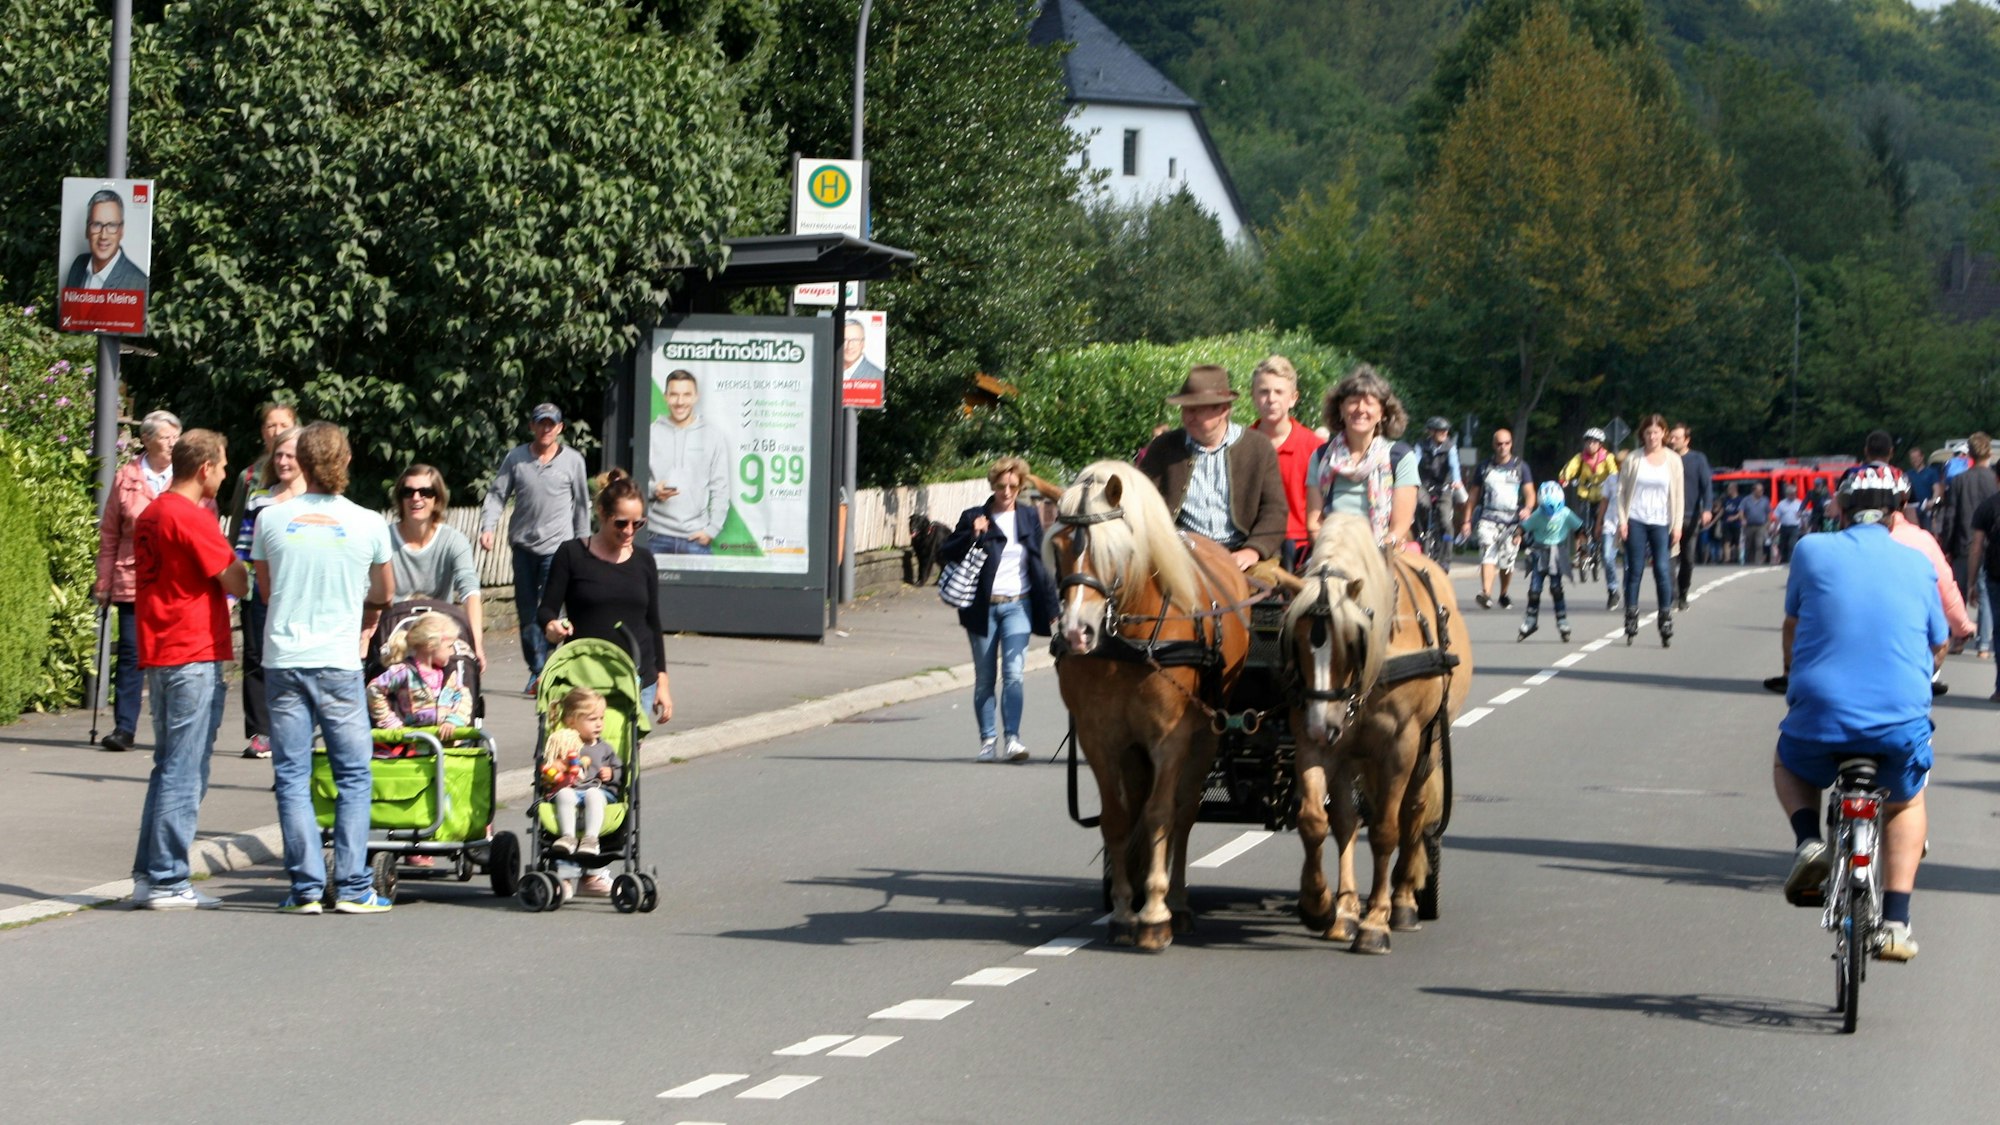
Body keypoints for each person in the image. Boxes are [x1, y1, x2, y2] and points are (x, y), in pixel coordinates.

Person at [1775, 462, 1941, 962]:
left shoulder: (1810, 550)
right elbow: (1938, 644)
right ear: (1897, 515)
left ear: (1842, 511)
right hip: (1898, 722)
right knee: (1907, 803)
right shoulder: (1918, 562)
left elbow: (1793, 624)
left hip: (1821, 712)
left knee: (1788, 760)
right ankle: (1895, 922)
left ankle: (1808, 843)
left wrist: (1790, 672)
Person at [254, 422, 396, 915]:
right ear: (345, 461)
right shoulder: (369, 522)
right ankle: (355, 888)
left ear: (299, 463)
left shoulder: (272, 519)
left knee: (291, 775)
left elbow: (267, 591)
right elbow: (386, 592)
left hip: (285, 658)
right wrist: (361, 603)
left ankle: (306, 889)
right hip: (338, 661)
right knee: (353, 774)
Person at [128, 430, 246, 909]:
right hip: (192, 648)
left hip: (160, 648)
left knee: (167, 765)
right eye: (220, 467)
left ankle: (147, 873)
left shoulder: (153, 511)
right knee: (185, 768)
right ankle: (168, 878)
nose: (222, 474)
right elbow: (233, 575)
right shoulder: (192, 516)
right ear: (204, 469)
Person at [939, 456, 1059, 762]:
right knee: (984, 678)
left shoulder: (1029, 517)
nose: (1007, 491)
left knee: (1014, 674)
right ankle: (988, 741)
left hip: (1019, 604)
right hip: (982, 609)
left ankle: (1013, 740)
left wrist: (1053, 606)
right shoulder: (974, 515)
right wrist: (972, 535)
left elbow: (1040, 564)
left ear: (1019, 486)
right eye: (1001, 485)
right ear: (992, 485)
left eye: (1013, 486)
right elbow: (945, 553)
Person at [539, 469, 674, 726]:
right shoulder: (572, 554)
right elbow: (546, 609)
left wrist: (662, 682)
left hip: (635, 679)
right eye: (621, 523)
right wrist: (552, 627)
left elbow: (653, 624)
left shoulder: (644, 560)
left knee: (624, 757)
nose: (629, 531)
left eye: (638, 524)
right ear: (602, 513)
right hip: (585, 678)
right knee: (580, 759)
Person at [94, 410, 190, 753]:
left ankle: (175, 726)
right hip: (132, 576)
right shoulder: (126, 477)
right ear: (147, 440)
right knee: (133, 653)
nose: (172, 443)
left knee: (174, 655)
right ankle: (124, 728)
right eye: (166, 437)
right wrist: (103, 580)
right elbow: (108, 534)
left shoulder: (188, 476)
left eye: (176, 437)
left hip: (176, 582)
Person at [480, 403, 591, 691]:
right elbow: (496, 495)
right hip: (524, 547)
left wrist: (583, 543)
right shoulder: (516, 459)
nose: (545, 429)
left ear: (560, 428)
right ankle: (537, 669)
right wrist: (488, 527)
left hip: (559, 548)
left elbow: (581, 505)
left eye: (551, 424)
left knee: (552, 612)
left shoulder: (574, 461)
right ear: (531, 426)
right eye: (540, 423)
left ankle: (550, 667)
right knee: (527, 611)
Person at [1137, 365, 1287, 573]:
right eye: (1186, 409)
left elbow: (1274, 509)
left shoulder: (1259, 447)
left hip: (1242, 552)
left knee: (1261, 591)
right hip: (1181, 553)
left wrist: (1253, 550)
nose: (1189, 416)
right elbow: (1141, 502)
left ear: (1223, 410)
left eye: (1197, 410)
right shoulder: (1163, 447)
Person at [225, 405, 300, 758]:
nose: (276, 431)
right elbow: (240, 530)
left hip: (298, 589)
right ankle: (259, 732)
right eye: (271, 425)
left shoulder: (314, 494)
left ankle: (293, 731)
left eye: (283, 425)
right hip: (257, 583)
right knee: (255, 655)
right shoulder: (250, 480)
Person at [1304, 366, 1419, 551]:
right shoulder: (1320, 457)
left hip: (1383, 551)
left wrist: (1375, 552)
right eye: (1353, 402)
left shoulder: (1401, 457)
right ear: (1341, 409)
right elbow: (1314, 524)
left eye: (1369, 403)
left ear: (1382, 412)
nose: (1361, 409)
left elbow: (1399, 527)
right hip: (1331, 550)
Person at [388, 464, 486, 671]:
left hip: (438, 636)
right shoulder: (383, 540)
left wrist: (477, 644)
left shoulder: (454, 541)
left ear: (437, 499)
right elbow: (368, 593)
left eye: (425, 492)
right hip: (395, 634)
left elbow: (470, 591)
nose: (416, 498)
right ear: (400, 498)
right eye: (408, 492)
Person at [538, 685, 623, 895]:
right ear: (571, 721)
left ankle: (591, 839)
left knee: (593, 794)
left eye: (601, 718)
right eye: (592, 719)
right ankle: (568, 837)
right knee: (564, 794)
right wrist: (556, 768)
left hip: (598, 791)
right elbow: (550, 767)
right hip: (571, 789)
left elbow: (619, 769)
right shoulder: (565, 745)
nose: (599, 724)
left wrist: (611, 774)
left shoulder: (604, 748)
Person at [646, 370, 734, 558]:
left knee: (699, 590)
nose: (680, 402)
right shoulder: (651, 433)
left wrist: (712, 530)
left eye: (686, 394)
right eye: (674, 394)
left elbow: (720, 487)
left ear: (696, 397)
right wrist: (653, 490)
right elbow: (634, 484)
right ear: (665, 397)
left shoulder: (712, 436)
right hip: (654, 536)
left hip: (696, 539)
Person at [1246, 355, 1324, 565]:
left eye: (1279, 392)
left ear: (1293, 398)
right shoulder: (1240, 446)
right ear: (1253, 396)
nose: (1271, 399)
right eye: (1264, 391)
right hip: (1252, 549)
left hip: (1304, 552)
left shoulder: (1315, 448)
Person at [1615, 414, 1684, 645]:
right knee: (1634, 570)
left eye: (1656, 432)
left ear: (1664, 433)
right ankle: (1631, 615)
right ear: (1642, 435)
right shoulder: (1634, 459)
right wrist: (1623, 521)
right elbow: (1621, 491)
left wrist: (1677, 525)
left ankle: (1665, 617)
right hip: (1636, 518)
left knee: (1663, 570)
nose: (1652, 437)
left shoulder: (1673, 460)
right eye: (1648, 433)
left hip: (1661, 521)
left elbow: (1679, 496)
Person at [366, 613, 472, 744]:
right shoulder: (403, 671)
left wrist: (454, 720)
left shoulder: (450, 673)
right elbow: (374, 690)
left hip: (448, 743)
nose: (452, 653)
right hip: (414, 744)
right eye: (449, 646)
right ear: (431, 646)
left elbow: (463, 697)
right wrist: (391, 723)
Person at [1935, 432, 1996, 658]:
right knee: (1986, 593)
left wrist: (1947, 545)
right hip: (1990, 543)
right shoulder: (1993, 480)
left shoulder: (1960, 481)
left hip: (1963, 541)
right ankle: (1983, 645)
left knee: (1959, 592)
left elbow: (1951, 515)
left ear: (1968, 454)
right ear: (1988, 452)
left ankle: (1958, 639)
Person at [1461, 428, 1532, 610]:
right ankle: (1486, 593)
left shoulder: (1520, 467)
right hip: (1488, 518)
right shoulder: (1485, 468)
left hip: (1511, 522)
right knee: (1487, 555)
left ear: (1511, 444)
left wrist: (1528, 508)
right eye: (1499, 444)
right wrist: (1467, 521)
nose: (1503, 447)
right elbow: (1473, 496)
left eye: (1506, 443)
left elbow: (1530, 493)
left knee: (1507, 562)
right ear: (1494, 445)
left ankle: (1503, 594)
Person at [1518, 482, 1584, 643]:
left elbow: (1580, 528)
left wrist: (1582, 547)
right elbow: (1523, 527)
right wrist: (1516, 535)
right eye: (1548, 509)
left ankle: (1562, 621)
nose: (1552, 514)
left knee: (1556, 588)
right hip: (1539, 553)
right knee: (1534, 590)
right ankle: (1531, 620)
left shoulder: (1566, 514)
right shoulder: (1538, 515)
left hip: (1557, 552)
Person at [63, 188, 149, 291]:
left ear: (121, 231)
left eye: (112, 225)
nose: (103, 236)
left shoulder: (138, 282)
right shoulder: (77, 265)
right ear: (87, 230)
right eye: (96, 224)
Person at [1666, 424, 1713, 609]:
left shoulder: (1697, 459)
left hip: (1689, 517)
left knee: (1688, 559)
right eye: (1671, 437)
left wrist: (1707, 508)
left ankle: (1683, 592)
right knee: (1667, 558)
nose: (1672, 440)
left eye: (1677, 437)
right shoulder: (1665, 458)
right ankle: (1672, 594)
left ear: (1686, 440)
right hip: (1668, 517)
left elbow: (1706, 486)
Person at [1413, 416, 1466, 568]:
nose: (1444, 433)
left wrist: (1457, 480)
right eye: (1441, 430)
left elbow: (1454, 465)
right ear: (1431, 432)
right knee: (1421, 505)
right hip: (1424, 485)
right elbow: (1414, 462)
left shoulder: (1450, 447)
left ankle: (1446, 560)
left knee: (1445, 522)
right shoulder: (1421, 445)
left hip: (1443, 487)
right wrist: (1413, 481)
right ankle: (1421, 535)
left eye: (1446, 430)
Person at [1906, 447, 1939, 531]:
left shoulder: (1931, 472)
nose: (1914, 460)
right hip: (1912, 512)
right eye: (1912, 458)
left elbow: (1937, 489)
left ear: (1922, 457)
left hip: (1926, 510)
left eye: (1916, 457)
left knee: (1927, 533)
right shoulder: (1907, 474)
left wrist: (1933, 501)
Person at [1740, 483, 1771, 566]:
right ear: (1754, 491)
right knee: (1749, 545)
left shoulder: (1765, 500)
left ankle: (1758, 562)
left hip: (1761, 526)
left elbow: (1768, 512)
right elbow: (1741, 511)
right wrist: (1743, 519)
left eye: (1762, 490)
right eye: (1759, 491)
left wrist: (1769, 522)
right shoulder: (1746, 500)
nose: (1761, 492)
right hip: (1749, 526)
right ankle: (1749, 561)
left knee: (1759, 544)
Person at [1774, 484, 1805, 563]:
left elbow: (1802, 516)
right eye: (1791, 494)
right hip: (1784, 527)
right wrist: (1775, 528)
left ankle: (1790, 561)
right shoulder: (1781, 504)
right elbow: (1777, 517)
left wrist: (1804, 525)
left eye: (1794, 493)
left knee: (1792, 544)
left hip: (1794, 527)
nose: (1793, 495)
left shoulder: (1799, 503)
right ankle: (1783, 560)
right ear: (1787, 494)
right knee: (1782, 545)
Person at [1720, 483, 1744, 565]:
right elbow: (1722, 510)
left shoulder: (1740, 500)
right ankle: (1727, 559)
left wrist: (1734, 517)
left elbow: (1741, 512)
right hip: (1726, 524)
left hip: (1736, 524)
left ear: (1734, 489)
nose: (1728, 491)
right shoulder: (1726, 500)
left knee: (1737, 543)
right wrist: (1713, 521)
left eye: (1729, 489)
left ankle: (1737, 558)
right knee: (1726, 542)